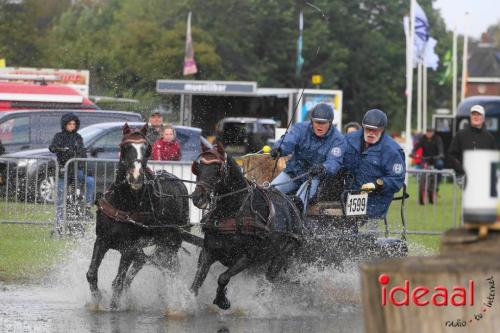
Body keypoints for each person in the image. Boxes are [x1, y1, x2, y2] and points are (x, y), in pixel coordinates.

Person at [270, 103, 346, 209]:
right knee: (269, 192)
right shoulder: (300, 128)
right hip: (293, 174)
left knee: (297, 202)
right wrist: (280, 149)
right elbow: (288, 141)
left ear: (330, 122)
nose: (319, 126)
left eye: (323, 123)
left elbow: (334, 162)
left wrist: (324, 168)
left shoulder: (338, 139)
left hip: (315, 178)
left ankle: (298, 224)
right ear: (311, 121)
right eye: (317, 122)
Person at [343, 109, 405, 219]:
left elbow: (396, 179)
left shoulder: (391, 150)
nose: (371, 133)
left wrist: (377, 184)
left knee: (349, 223)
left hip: (375, 200)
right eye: (368, 129)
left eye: (375, 130)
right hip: (347, 193)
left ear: (382, 130)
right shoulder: (349, 139)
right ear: (363, 127)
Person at [49, 113, 95, 230]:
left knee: (89, 181)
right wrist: (62, 150)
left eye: (74, 124)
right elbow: (52, 147)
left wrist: (82, 157)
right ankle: (59, 223)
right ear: (64, 124)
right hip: (64, 170)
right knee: (61, 197)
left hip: (76, 170)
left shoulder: (78, 137)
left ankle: (88, 205)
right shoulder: (59, 136)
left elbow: (82, 151)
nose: (72, 126)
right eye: (69, 124)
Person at [448, 104, 497, 176]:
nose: (476, 117)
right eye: (474, 114)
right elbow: (451, 155)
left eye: (479, 114)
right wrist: (461, 169)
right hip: (464, 178)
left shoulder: (489, 137)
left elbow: (494, 158)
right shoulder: (460, 135)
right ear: (470, 117)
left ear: (483, 118)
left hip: (483, 177)